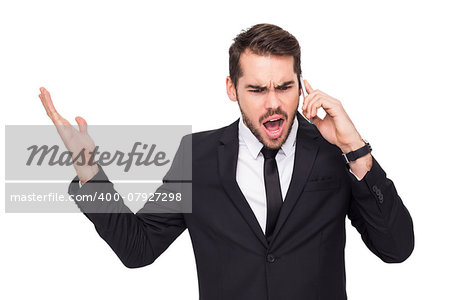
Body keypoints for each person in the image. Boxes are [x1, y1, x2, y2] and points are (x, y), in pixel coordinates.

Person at [38, 23, 414, 299]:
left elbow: (397, 248)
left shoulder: (335, 151)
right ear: (232, 89)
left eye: (285, 87)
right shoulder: (197, 157)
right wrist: (89, 170)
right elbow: (139, 248)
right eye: (257, 89)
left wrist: (355, 147)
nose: (273, 103)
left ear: (301, 85)